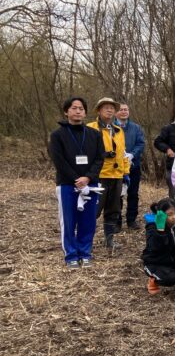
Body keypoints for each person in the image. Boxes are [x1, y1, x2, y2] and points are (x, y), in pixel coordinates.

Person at [49, 97, 105, 268]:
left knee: (88, 220)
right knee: (69, 219)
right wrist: (76, 179)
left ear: (85, 112)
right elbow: (58, 160)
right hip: (67, 184)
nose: (78, 111)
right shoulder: (58, 135)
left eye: (81, 108)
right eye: (74, 108)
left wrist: (88, 178)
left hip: (91, 184)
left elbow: (99, 158)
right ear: (66, 111)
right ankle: (71, 255)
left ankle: (85, 252)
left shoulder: (94, 134)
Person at [87, 97, 130, 250]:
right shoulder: (90, 128)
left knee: (113, 210)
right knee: (93, 209)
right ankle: (86, 240)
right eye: (106, 107)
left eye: (112, 108)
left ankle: (109, 239)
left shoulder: (119, 131)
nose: (110, 110)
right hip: (99, 176)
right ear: (99, 110)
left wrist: (126, 173)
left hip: (116, 176)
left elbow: (123, 153)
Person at [115, 103, 145, 230]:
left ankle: (131, 220)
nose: (123, 112)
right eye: (121, 110)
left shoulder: (136, 128)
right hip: (116, 167)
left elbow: (141, 143)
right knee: (117, 195)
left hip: (133, 166)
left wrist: (132, 155)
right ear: (116, 113)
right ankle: (116, 222)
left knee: (133, 194)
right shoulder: (111, 127)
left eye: (126, 109)